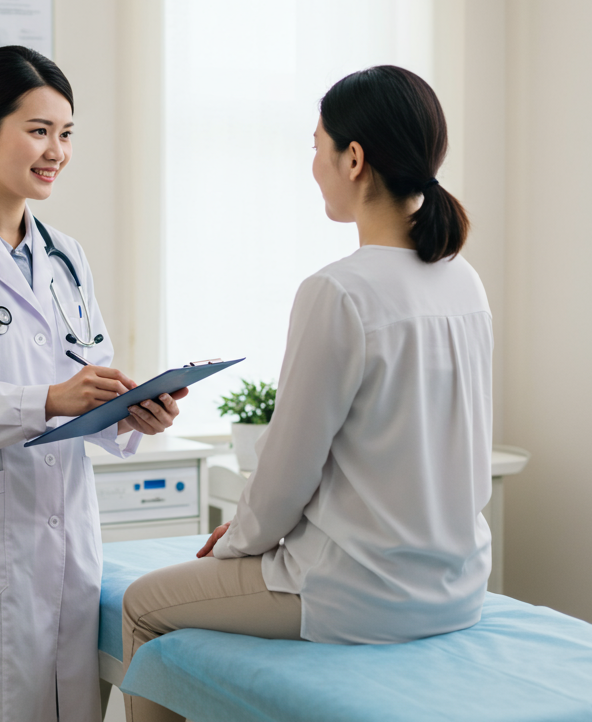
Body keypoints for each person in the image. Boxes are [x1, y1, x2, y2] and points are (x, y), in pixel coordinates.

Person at [119, 65, 493, 722]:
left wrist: (238, 544)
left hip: (356, 593)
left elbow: (288, 468)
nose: (312, 164)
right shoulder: (464, 282)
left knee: (140, 606)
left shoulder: (338, 291)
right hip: (457, 588)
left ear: (354, 158)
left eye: (317, 146)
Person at [0, 45, 186, 722]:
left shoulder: (65, 259)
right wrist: (48, 399)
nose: (57, 151)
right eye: (40, 130)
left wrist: (131, 412)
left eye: (67, 133)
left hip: (63, 539)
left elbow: (90, 381)